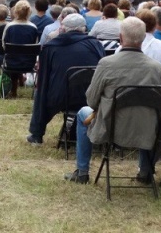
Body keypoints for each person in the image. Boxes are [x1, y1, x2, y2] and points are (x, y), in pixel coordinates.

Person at [66, 17, 161, 184]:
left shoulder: (106, 64)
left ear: (121, 39)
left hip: (111, 128)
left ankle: (82, 171)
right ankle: (145, 172)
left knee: (82, 114)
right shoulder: (159, 69)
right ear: (143, 38)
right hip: (148, 129)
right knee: (147, 114)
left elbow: (91, 101)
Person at [27, 13, 105, 145]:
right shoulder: (95, 44)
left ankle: (37, 134)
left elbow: (43, 79)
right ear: (83, 28)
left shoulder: (51, 47)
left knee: (42, 93)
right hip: (92, 96)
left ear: (63, 28)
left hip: (61, 97)